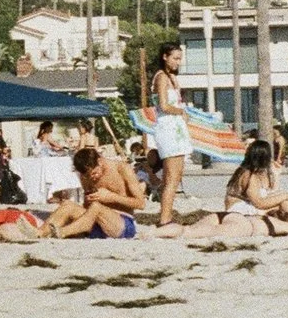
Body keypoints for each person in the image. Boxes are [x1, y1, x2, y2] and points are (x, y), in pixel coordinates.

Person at [45, 146, 143, 239]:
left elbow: (141, 204)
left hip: (122, 224)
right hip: (95, 223)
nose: (92, 178)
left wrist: (111, 197)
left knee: (96, 206)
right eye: (87, 176)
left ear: (99, 161)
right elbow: (87, 208)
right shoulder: (85, 176)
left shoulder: (122, 168)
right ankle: (40, 232)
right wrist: (88, 200)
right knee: (67, 205)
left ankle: (63, 232)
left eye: (94, 173)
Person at [144, 44, 191, 227]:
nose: (178, 62)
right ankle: (164, 219)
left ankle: (167, 215)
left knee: (176, 176)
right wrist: (180, 111)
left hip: (176, 129)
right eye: (175, 58)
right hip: (168, 128)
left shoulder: (171, 77)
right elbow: (163, 105)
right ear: (165, 57)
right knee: (171, 177)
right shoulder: (161, 77)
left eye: (180, 59)